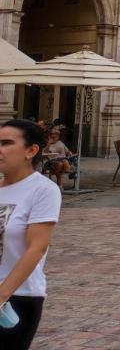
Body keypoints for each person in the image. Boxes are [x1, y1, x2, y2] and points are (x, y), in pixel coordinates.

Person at [0, 120, 61, 350]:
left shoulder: (42, 190)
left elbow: (37, 248)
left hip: (17, 296)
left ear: (31, 150)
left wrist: (2, 295)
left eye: (6, 143)